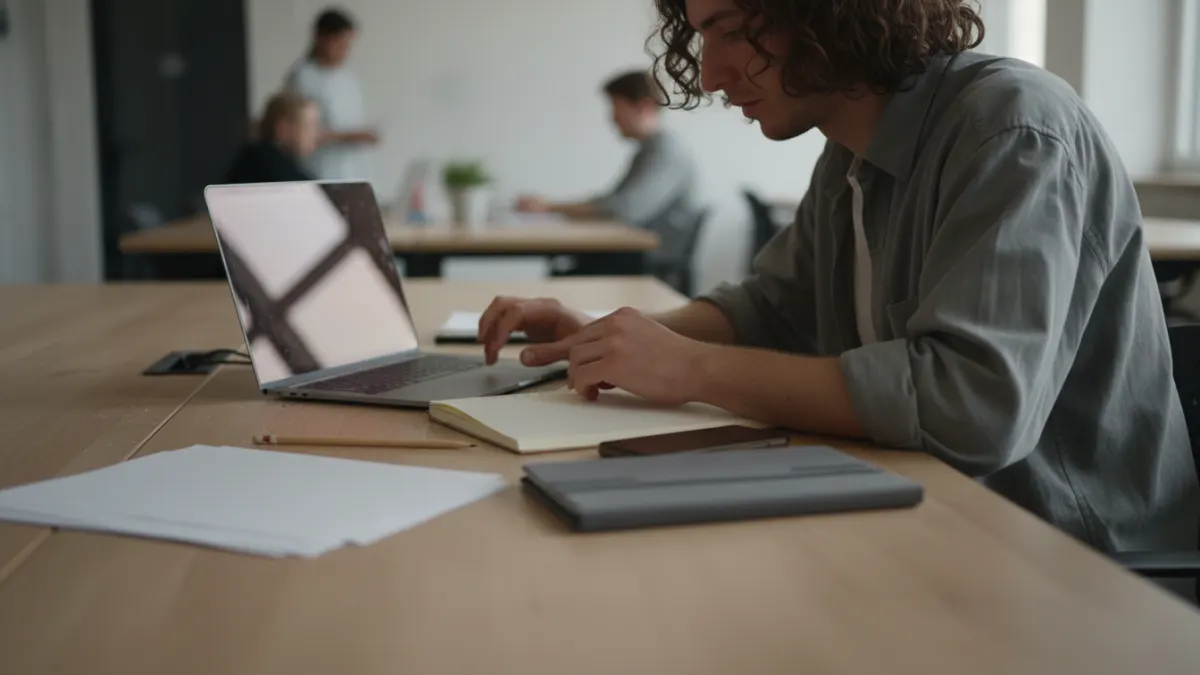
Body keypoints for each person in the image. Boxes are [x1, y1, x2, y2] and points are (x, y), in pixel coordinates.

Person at [479, 0, 1200, 571]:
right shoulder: (847, 154)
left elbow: (972, 404)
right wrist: (601, 329)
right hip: (924, 512)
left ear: (827, 11)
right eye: (701, 37)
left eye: (730, 30)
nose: (710, 75)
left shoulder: (1011, 128)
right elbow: (768, 307)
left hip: (1066, 557)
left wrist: (690, 367)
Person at [516, 70, 702, 261]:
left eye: (616, 108)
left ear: (644, 106)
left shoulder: (666, 152)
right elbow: (613, 201)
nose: (613, 119)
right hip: (634, 252)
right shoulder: (650, 150)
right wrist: (550, 207)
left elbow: (623, 209)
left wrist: (549, 207)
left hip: (647, 259)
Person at [284, 8, 379, 180]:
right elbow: (298, 133)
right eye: (340, 43)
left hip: (353, 172)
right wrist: (348, 137)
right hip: (319, 170)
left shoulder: (348, 78)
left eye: (347, 44)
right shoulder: (302, 78)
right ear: (321, 38)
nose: (345, 50)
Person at [222, 92, 319, 184]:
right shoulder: (263, 162)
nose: (316, 133)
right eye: (308, 126)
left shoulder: (266, 156)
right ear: (282, 128)